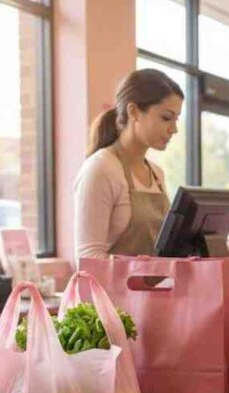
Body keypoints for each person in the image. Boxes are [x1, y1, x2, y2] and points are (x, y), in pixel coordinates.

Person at [73, 68, 184, 260]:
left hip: (150, 289)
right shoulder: (101, 169)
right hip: (110, 290)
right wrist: (141, 267)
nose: (174, 129)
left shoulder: (157, 174)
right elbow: (87, 258)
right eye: (166, 117)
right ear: (134, 112)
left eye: (176, 119)